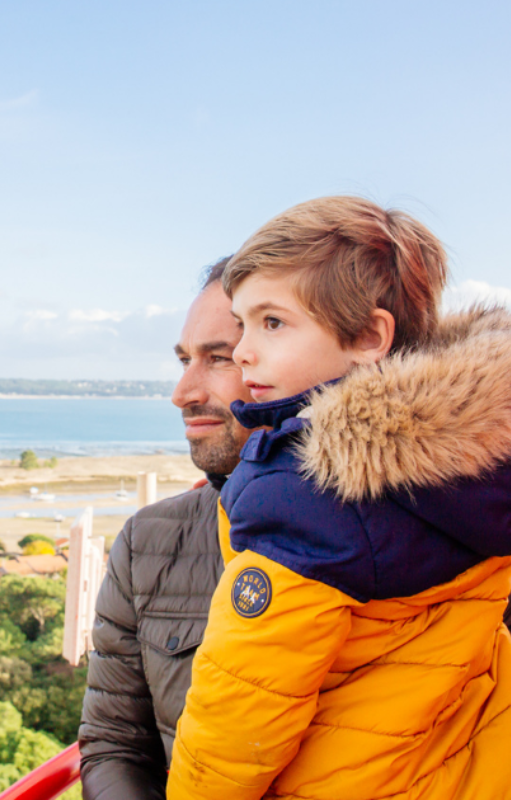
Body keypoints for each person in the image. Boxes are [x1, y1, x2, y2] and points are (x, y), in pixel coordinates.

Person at [168, 196, 511, 800]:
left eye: (272, 323)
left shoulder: (305, 493)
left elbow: (241, 708)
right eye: (243, 324)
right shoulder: (474, 460)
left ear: (369, 336)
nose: (244, 351)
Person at [78, 257, 255, 800]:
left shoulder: (434, 532)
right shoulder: (148, 542)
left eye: (219, 357)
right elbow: (114, 745)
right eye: (184, 359)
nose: (182, 392)